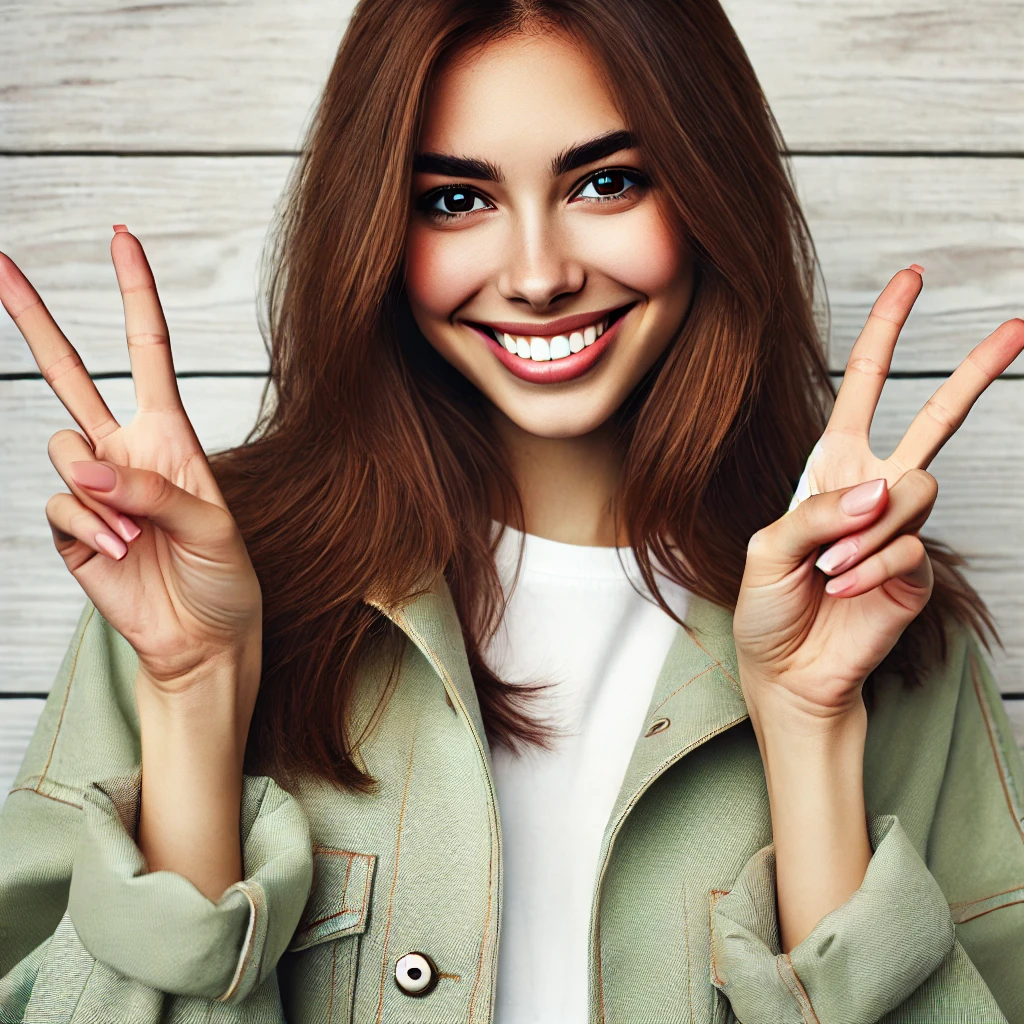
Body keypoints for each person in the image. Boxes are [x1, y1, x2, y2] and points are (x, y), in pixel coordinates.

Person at [1, 0, 1022, 1021]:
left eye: (606, 182)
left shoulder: (879, 621)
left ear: (710, 188)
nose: (539, 276)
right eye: (455, 200)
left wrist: (809, 734)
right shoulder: (185, 581)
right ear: (377, 229)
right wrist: (193, 692)